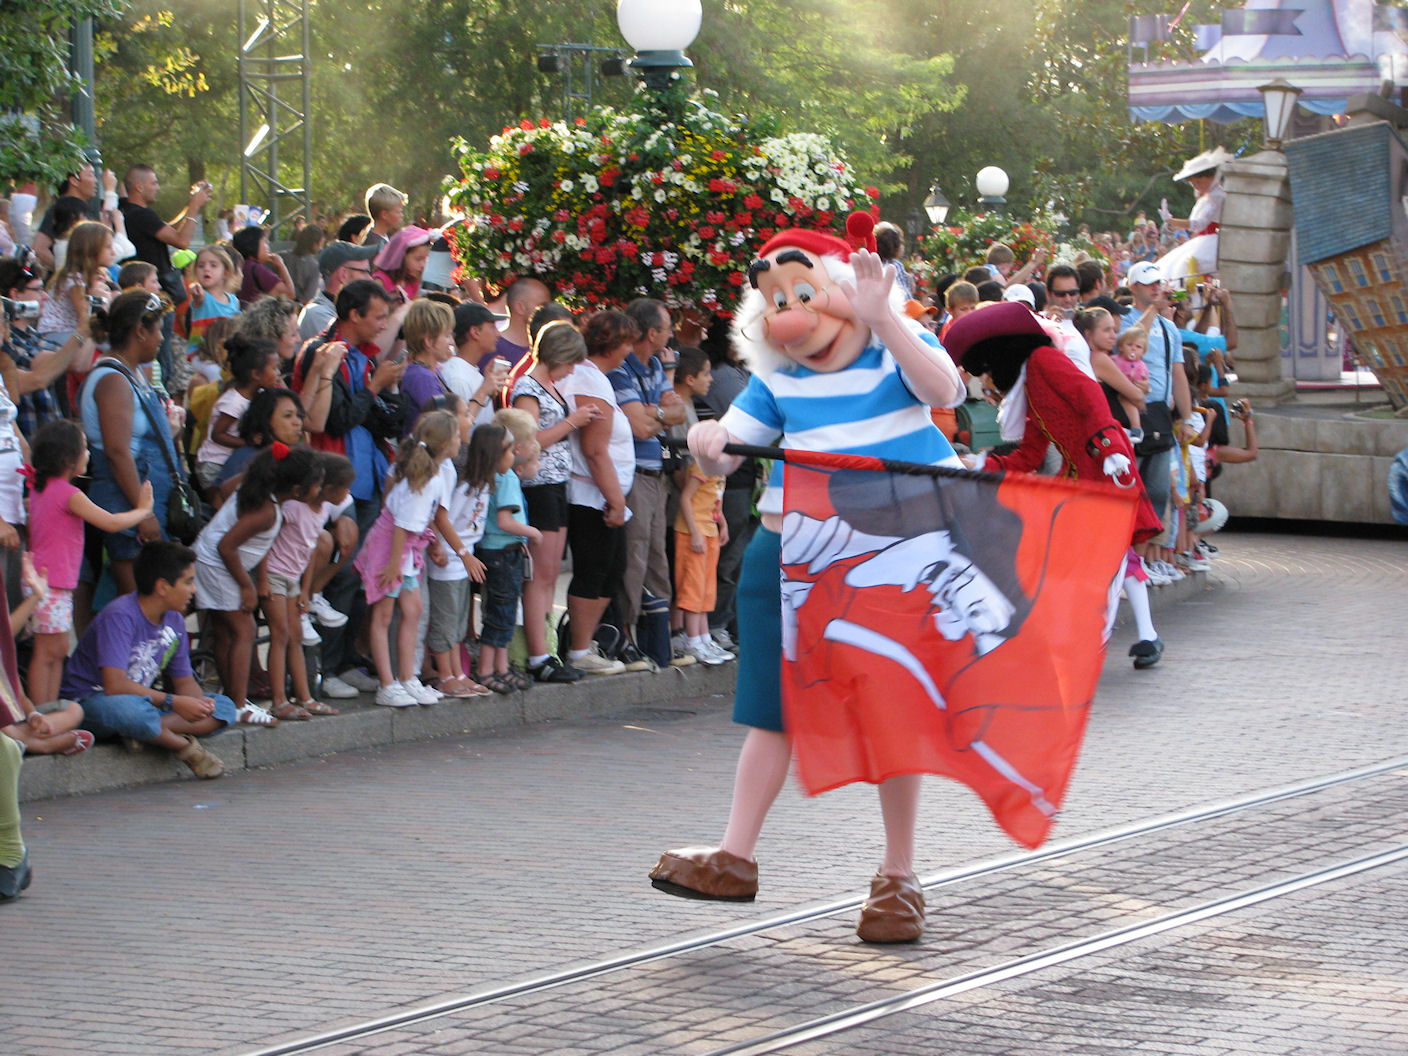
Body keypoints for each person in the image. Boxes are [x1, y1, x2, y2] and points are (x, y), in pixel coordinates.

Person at [650, 215, 966, 943]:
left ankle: (899, 875)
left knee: (891, 706)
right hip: (787, 551)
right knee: (771, 708)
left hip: (887, 557)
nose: (791, 313)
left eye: (804, 292)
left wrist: (885, 317)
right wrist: (707, 442)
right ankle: (734, 856)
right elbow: (730, 451)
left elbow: (943, 386)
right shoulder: (778, 379)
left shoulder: (890, 354)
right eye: (777, 300)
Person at [950, 301, 1166, 669]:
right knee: (1092, 559)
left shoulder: (1043, 361)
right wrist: (981, 463)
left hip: (1105, 466)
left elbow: (1089, 395)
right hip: (1082, 476)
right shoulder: (1031, 385)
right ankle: (1126, 637)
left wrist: (1109, 449)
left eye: (986, 371)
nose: (986, 381)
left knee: (1106, 558)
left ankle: (1098, 642)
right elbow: (1029, 456)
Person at [66, 540, 237, 778]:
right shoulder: (120, 616)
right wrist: (174, 703)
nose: (194, 590)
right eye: (188, 582)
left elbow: (185, 682)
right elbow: (114, 686)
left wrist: (199, 706)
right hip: (95, 702)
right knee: (130, 711)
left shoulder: (175, 620)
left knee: (225, 708)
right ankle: (183, 747)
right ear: (163, 587)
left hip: (146, 705)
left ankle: (142, 732)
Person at [24, 419, 155, 709]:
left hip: (48, 580)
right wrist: (143, 510)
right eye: (84, 448)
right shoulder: (69, 494)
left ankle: (50, 711)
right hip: (50, 582)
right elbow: (111, 522)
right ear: (68, 458)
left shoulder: (40, 486)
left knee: (56, 650)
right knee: (47, 652)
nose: (88, 453)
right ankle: (42, 714)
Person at [353, 410, 479, 707]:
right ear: (445, 443)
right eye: (456, 436)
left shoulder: (435, 473)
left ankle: (407, 677)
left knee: (413, 610)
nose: (460, 440)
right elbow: (401, 525)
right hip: (391, 551)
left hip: (405, 551)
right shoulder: (426, 479)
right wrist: (393, 565)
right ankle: (387, 684)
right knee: (383, 616)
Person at [193, 445, 311, 725]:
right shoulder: (266, 511)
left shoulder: (257, 488)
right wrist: (247, 586)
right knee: (244, 630)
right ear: (297, 490)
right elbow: (226, 546)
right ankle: (237, 705)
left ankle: (232, 700)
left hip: (212, 560)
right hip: (217, 564)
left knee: (225, 633)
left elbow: (225, 490)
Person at [79, 291, 184, 596]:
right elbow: (117, 451)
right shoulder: (113, 379)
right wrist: (143, 513)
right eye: (158, 330)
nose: (162, 338)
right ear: (140, 331)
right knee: (141, 602)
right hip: (129, 504)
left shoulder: (133, 372)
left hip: (148, 499)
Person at [510, 320, 599, 682]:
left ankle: (545, 649)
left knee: (549, 573)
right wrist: (572, 422)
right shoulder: (527, 388)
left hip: (556, 484)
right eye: (570, 361)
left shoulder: (548, 386)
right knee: (540, 575)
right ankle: (536, 655)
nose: (572, 370)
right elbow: (527, 443)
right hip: (538, 486)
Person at [556, 311, 637, 676]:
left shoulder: (594, 377)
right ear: (612, 344)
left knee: (611, 569)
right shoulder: (589, 379)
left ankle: (584, 643)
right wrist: (616, 499)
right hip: (592, 495)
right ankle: (578, 650)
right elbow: (594, 449)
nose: (629, 351)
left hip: (602, 492)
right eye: (627, 343)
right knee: (594, 569)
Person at [610, 298, 688, 661]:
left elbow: (677, 412)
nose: (672, 333)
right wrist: (660, 414)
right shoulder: (619, 370)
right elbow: (640, 428)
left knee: (657, 558)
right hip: (635, 478)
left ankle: (659, 641)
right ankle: (626, 637)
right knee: (635, 558)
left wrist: (654, 413)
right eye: (668, 327)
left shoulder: (655, 365)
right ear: (652, 333)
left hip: (657, 477)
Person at [259, 447, 341, 720]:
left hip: (294, 578)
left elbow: (310, 550)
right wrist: (262, 579)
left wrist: (306, 590)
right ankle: (278, 700)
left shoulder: (324, 510)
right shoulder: (292, 508)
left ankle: (305, 697)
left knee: (295, 636)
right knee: (280, 634)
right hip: (274, 574)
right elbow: (266, 541)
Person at [424, 397, 489, 698]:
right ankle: (445, 675)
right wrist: (455, 550)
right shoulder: (443, 470)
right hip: (448, 558)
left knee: (458, 619)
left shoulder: (449, 467)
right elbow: (439, 515)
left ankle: (457, 673)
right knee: (445, 618)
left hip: (458, 557)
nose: (471, 420)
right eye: (465, 415)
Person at [473, 426, 542, 693]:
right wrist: (532, 532)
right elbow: (505, 521)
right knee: (501, 613)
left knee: (503, 612)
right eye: (510, 450)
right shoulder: (507, 479)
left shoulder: (492, 477)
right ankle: (486, 670)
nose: (514, 454)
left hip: (494, 551)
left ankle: (500, 667)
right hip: (502, 552)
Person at [0, 260, 89, 437]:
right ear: (15, 294)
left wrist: (91, 327)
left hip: (49, 438)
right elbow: (40, 378)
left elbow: (79, 363)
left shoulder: (33, 335)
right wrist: (83, 327)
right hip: (30, 438)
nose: (45, 297)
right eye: (38, 290)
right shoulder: (9, 342)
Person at [193, 334, 281, 488]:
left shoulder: (258, 395)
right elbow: (217, 434)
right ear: (256, 374)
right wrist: (247, 443)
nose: (278, 373)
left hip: (231, 462)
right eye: (274, 368)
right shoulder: (234, 402)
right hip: (214, 465)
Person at [1157, 146, 1232, 288]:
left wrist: (1171, 220)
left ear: (1211, 176)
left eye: (1198, 182)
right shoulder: (1209, 196)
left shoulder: (1216, 196)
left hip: (1213, 242)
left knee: (1185, 266)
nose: (1196, 187)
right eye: (1193, 184)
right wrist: (1172, 223)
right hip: (1203, 241)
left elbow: (1198, 224)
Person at [36, 220, 115, 348]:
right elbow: (86, 319)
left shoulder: (91, 276)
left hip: (71, 332)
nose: (113, 252)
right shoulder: (74, 279)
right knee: (111, 346)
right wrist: (100, 300)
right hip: (54, 334)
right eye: (108, 247)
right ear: (90, 249)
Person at [444, 300, 511, 425]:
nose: (498, 334)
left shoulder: (468, 372)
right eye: (492, 327)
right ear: (475, 332)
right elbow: (457, 428)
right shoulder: (457, 378)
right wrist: (484, 390)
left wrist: (489, 387)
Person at [298, 240, 378, 342]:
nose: (370, 279)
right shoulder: (317, 313)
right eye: (364, 272)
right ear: (343, 274)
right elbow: (354, 349)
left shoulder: (341, 311)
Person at [398, 298, 457, 431]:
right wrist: (482, 393)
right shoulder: (422, 377)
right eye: (447, 336)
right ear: (429, 341)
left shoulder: (428, 371)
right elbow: (445, 427)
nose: (452, 342)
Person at [184, 245, 242, 355]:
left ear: (225, 272)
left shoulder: (234, 301)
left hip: (223, 353)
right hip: (201, 354)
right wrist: (195, 291)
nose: (206, 269)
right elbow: (198, 296)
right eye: (201, 266)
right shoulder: (202, 297)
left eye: (213, 265)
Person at [482, 278, 550, 373]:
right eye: (542, 306)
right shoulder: (490, 347)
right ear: (520, 308)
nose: (548, 312)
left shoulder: (546, 348)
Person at [231, 225, 295, 308]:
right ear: (253, 245)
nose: (268, 247)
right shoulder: (257, 269)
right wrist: (281, 266)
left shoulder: (237, 266)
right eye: (265, 242)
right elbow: (289, 294)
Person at [372, 226, 432, 304]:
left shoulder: (412, 282)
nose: (423, 265)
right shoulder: (381, 281)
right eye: (418, 259)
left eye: (425, 259)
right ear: (400, 256)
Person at [1113, 326, 1150, 441]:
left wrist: (1143, 385)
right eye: (1129, 344)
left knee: (1131, 406)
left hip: (1130, 394)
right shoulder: (1114, 359)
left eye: (1138, 347)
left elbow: (1143, 381)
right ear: (1121, 347)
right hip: (1115, 392)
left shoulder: (1141, 365)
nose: (1133, 349)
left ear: (1143, 352)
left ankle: (1136, 428)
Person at [281, 224, 324, 305]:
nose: (320, 248)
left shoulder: (281, 256)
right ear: (315, 244)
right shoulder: (314, 266)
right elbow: (307, 299)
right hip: (295, 308)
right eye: (320, 244)